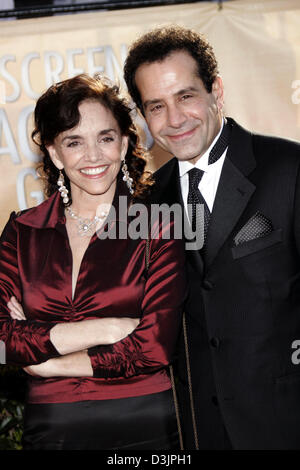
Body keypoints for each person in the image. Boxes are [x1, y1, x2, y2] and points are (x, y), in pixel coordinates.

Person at [123, 25, 300, 450]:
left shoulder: (288, 169)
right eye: (156, 106)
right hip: (197, 430)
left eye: (186, 96)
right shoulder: (148, 201)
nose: (175, 120)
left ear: (216, 91)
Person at [0, 73, 187, 450]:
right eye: (74, 142)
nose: (93, 156)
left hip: (145, 427)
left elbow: (154, 347)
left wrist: (46, 363)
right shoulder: (22, 232)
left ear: (124, 143)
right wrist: (108, 328)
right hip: (52, 431)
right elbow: (3, 342)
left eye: (105, 138)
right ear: (54, 153)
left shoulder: (159, 226)